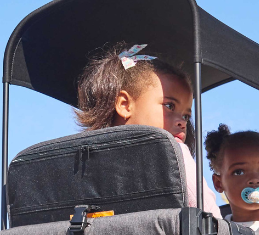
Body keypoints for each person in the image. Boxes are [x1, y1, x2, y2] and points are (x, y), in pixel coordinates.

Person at [74, 43, 214, 207]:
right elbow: (208, 214)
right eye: (169, 106)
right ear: (125, 105)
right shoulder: (175, 158)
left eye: (186, 115)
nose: (182, 122)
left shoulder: (82, 162)